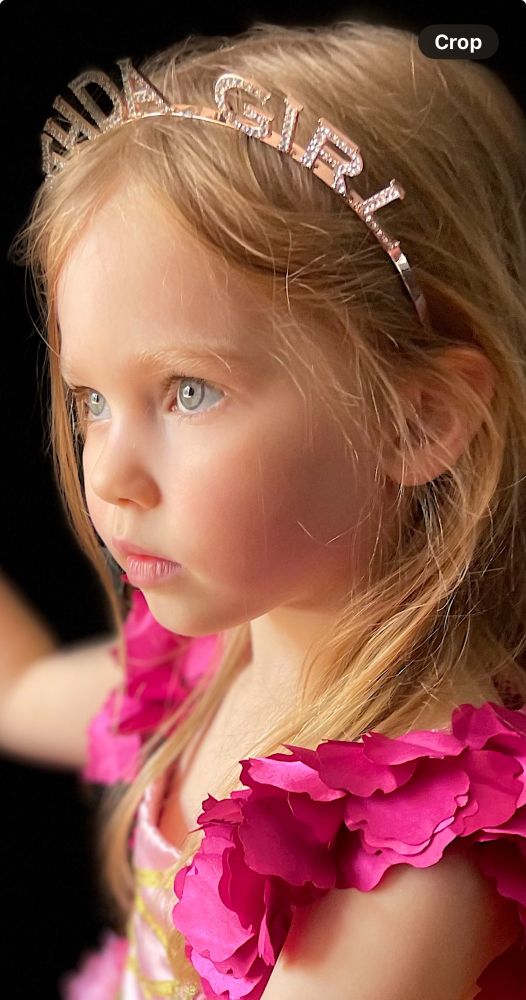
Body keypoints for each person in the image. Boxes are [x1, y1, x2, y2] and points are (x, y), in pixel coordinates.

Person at [4, 16, 526, 999]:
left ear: (416, 421)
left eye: (189, 391)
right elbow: (18, 693)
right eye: (91, 401)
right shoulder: (226, 650)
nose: (110, 474)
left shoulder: (409, 868)